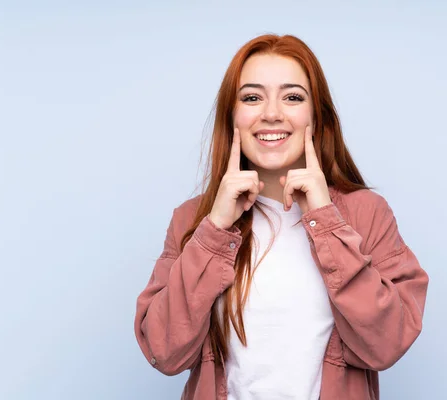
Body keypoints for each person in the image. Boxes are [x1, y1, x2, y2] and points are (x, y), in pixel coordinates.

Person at [134, 34, 429, 400]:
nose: (271, 113)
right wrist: (213, 230)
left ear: (316, 117)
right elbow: (164, 351)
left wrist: (326, 221)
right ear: (233, 117)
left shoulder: (366, 213)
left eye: (292, 97)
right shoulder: (193, 219)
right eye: (252, 97)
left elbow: (387, 343)